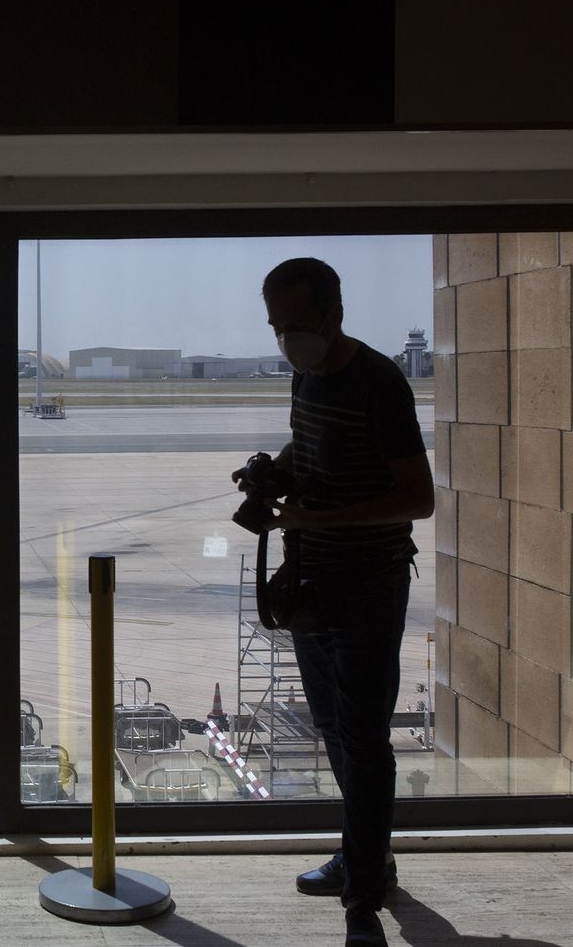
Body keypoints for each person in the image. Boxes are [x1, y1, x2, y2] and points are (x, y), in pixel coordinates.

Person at [232, 257, 433, 947]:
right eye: (276, 327)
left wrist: (313, 518)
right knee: (335, 728)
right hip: (312, 579)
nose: (286, 338)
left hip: (368, 582)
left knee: (364, 737)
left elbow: (417, 498)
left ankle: (363, 900)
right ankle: (366, 856)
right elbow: (309, 443)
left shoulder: (379, 382)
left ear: (333, 314)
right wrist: (274, 472)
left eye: (297, 323)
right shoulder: (307, 374)